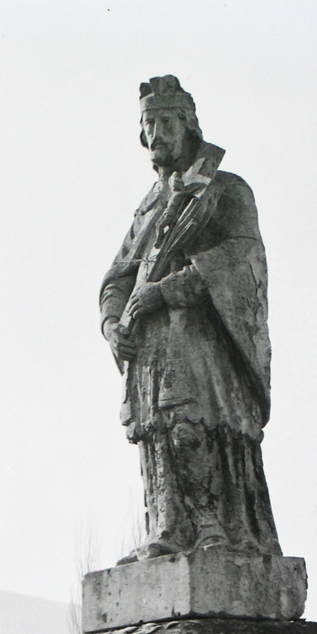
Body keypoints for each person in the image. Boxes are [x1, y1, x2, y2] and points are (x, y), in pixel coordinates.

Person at [102, 75, 282, 562]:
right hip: (149, 344)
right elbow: (118, 273)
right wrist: (111, 322)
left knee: (190, 426)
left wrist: (167, 290)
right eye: (148, 124)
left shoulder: (225, 190)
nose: (155, 133)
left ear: (188, 125)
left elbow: (240, 259)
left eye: (164, 121)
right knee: (156, 434)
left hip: (199, 340)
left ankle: (212, 526)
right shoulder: (148, 207)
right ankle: (168, 526)